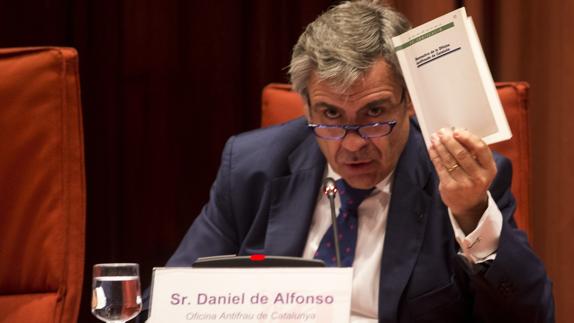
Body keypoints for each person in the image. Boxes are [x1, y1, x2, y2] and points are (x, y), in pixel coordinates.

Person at [145, 1, 554, 322]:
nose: (353, 145)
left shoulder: (459, 181)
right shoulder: (252, 166)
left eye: (374, 114)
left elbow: (530, 315)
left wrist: (471, 214)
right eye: (331, 116)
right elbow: (169, 300)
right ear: (305, 107)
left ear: (408, 102)